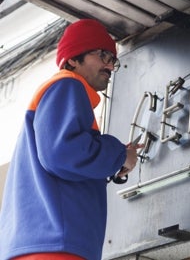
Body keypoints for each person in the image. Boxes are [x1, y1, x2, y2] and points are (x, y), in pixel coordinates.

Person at [0, 19, 140, 260]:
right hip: (57, 245)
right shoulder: (68, 84)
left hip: (39, 244)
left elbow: (64, 157)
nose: (110, 65)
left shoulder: (59, 97)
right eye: (103, 55)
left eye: (113, 60)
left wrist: (114, 162)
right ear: (74, 59)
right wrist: (120, 154)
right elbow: (63, 153)